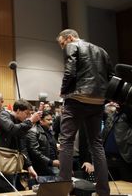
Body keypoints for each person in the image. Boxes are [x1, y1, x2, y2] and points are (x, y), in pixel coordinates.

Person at [56, 29, 114, 196]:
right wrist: (104, 98)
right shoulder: (101, 50)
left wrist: (63, 91)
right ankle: (103, 191)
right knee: (96, 144)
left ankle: (63, 190)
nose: (62, 47)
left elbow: (70, 71)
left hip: (77, 98)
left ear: (69, 37)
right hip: (97, 101)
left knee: (66, 142)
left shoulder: (72, 45)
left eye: (62, 43)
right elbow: (111, 76)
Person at [102, 102, 132, 182]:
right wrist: (105, 104)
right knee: (110, 188)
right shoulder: (111, 115)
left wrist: (123, 103)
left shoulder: (128, 115)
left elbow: (129, 111)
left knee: (126, 187)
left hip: (123, 159)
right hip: (108, 159)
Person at [26, 110, 59, 177]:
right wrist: (50, 162)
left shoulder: (49, 131)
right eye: (48, 120)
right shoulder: (33, 131)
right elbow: (34, 152)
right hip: (41, 168)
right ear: (41, 120)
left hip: (52, 165)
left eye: (51, 119)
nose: (51, 122)